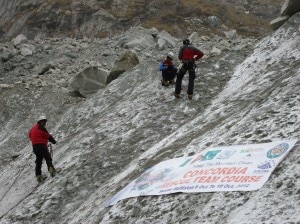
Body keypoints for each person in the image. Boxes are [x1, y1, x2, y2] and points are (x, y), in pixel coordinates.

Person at [29, 115, 57, 182]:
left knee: (39, 161)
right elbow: (47, 136)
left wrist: (35, 141)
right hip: (41, 145)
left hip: (35, 147)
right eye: (43, 121)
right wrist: (53, 141)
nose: (44, 123)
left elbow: (30, 135)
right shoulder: (41, 127)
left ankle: (38, 176)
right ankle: (52, 171)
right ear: (41, 122)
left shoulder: (33, 128)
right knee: (48, 158)